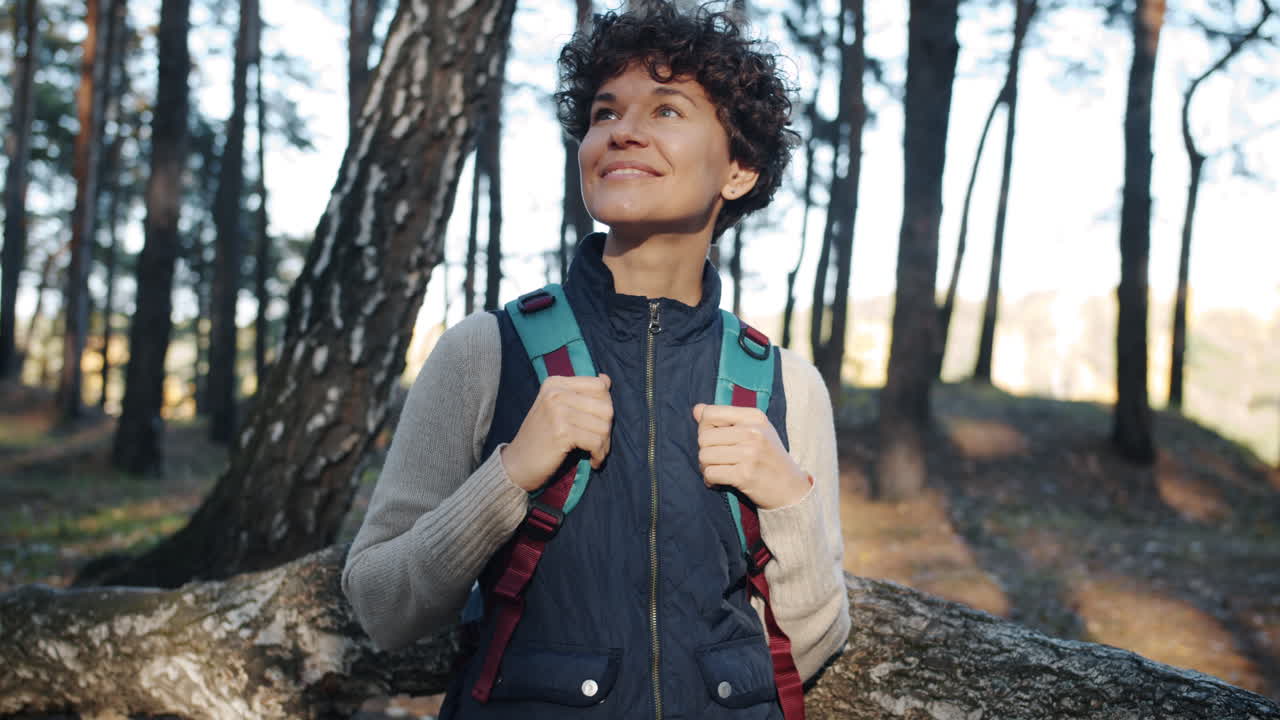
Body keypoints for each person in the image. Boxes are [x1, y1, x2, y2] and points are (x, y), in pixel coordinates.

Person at [341, 3, 848, 717]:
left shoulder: (787, 384)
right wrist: (510, 474)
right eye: (605, 112)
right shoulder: (484, 352)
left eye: (667, 110)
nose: (623, 132)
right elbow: (379, 604)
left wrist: (787, 499)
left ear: (738, 170)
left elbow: (813, 639)